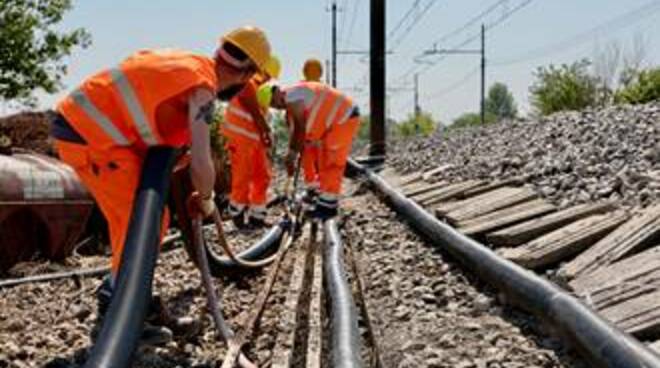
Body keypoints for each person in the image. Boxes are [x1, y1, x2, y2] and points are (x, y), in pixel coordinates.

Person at [51, 26, 272, 343]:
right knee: (135, 225)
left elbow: (146, 117)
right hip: (94, 137)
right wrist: (207, 199)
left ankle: (119, 292)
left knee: (152, 220)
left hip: (98, 134)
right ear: (247, 72)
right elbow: (201, 158)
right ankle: (126, 312)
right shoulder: (203, 86)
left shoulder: (192, 66)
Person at [259, 81, 360, 220]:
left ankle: (328, 208)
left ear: (275, 92)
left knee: (332, 162)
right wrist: (294, 151)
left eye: (274, 103)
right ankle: (325, 201)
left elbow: (300, 126)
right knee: (325, 162)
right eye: (273, 107)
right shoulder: (291, 100)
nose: (278, 107)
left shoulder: (292, 95)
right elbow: (298, 132)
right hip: (336, 123)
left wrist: (292, 154)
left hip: (344, 118)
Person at [222, 56, 281, 229]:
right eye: (269, 75)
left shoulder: (259, 90)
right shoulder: (247, 83)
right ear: (263, 71)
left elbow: (259, 117)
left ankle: (258, 216)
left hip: (254, 142)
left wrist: (265, 135)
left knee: (262, 176)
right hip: (240, 139)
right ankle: (237, 213)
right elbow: (256, 115)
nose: (269, 80)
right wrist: (265, 130)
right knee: (242, 177)